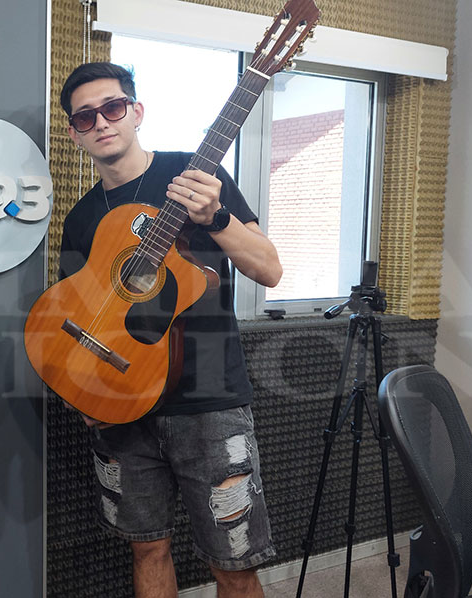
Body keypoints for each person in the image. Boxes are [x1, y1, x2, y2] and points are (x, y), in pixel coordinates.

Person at [57, 62, 283, 598]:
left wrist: (217, 218)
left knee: (234, 562)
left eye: (113, 108)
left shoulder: (195, 176)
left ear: (136, 112)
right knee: (147, 546)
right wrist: (84, 389)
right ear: (74, 132)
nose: (102, 123)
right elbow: (80, 318)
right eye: (85, 116)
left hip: (208, 402)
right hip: (122, 404)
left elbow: (269, 270)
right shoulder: (82, 217)